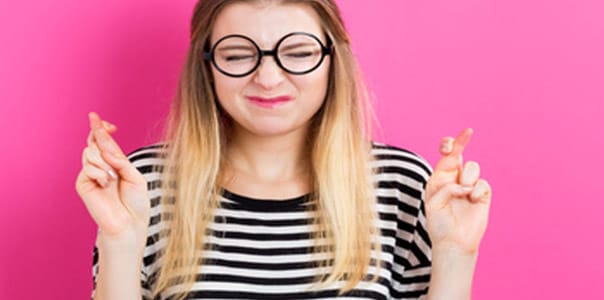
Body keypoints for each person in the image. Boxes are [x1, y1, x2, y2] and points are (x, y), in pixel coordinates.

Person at [76, 0, 492, 299]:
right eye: (238, 55)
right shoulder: (144, 182)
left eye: (298, 53)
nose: (269, 78)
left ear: (333, 60)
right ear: (206, 66)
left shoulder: (400, 183)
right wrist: (119, 239)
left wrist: (457, 253)